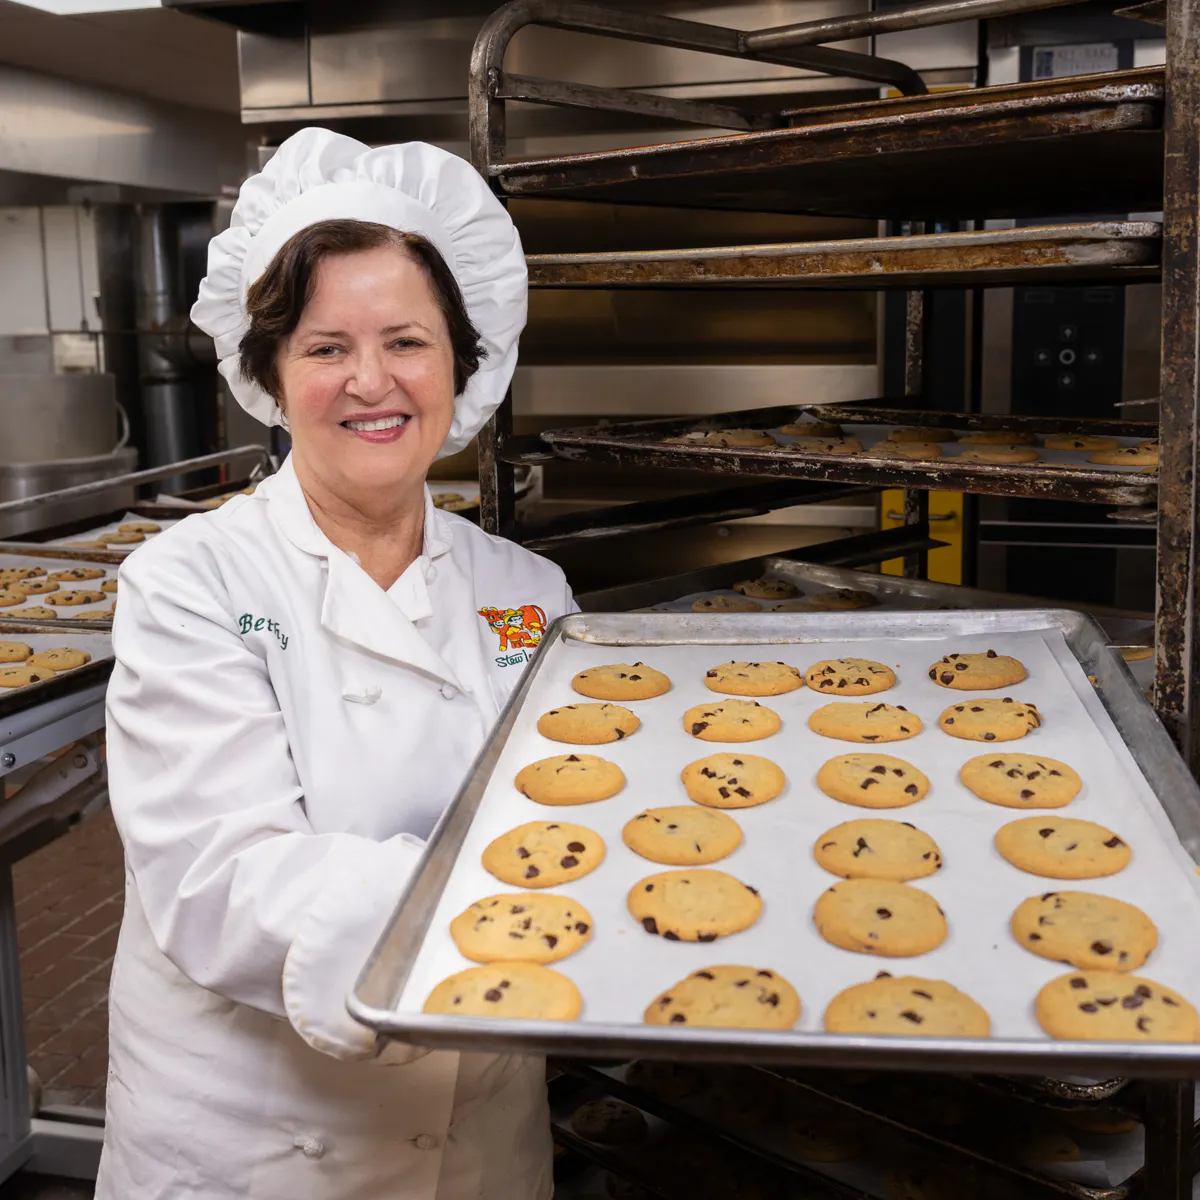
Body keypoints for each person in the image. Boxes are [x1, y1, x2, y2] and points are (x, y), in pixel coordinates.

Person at [97, 128, 574, 1199]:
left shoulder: (532, 595)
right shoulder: (190, 584)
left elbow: (571, 820)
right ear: (267, 372)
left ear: (462, 359)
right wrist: (539, 914)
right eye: (324, 348)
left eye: (407, 340)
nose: (373, 382)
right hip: (259, 1145)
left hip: (482, 1135)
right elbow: (227, 882)